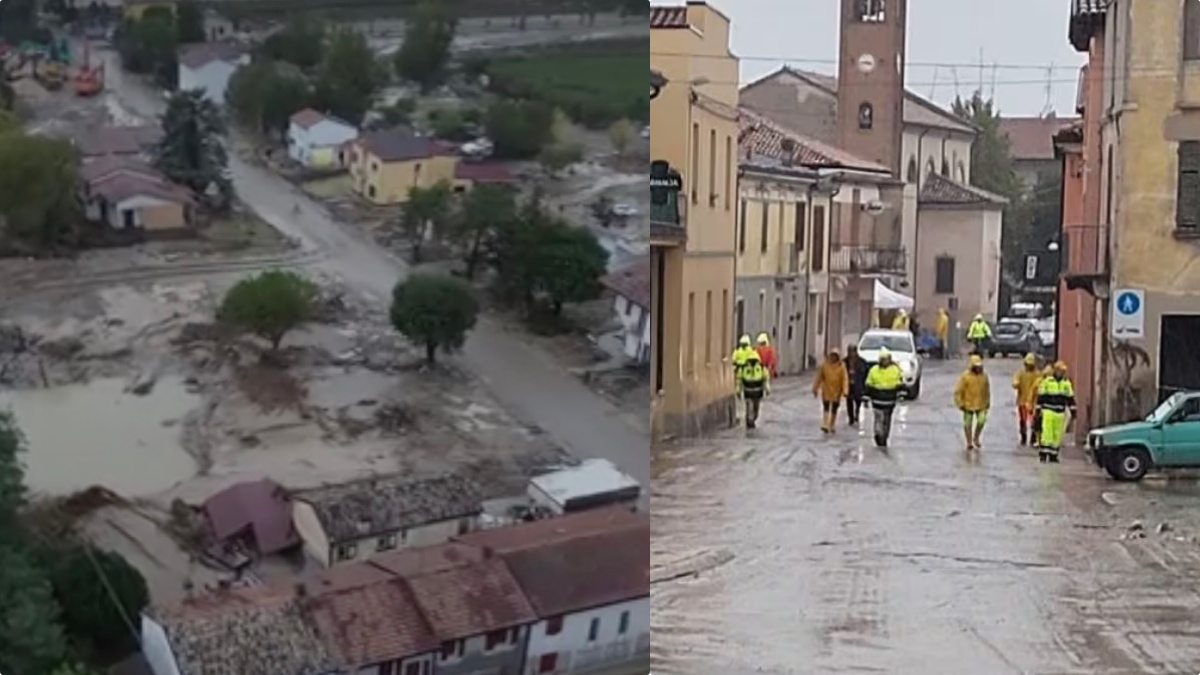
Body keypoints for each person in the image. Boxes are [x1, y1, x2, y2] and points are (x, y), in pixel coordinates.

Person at [1036, 361, 1076, 463]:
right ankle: (1044, 454)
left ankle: (1053, 454)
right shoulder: (1047, 382)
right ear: (1055, 370)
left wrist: (1073, 410)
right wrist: (1038, 410)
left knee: (1057, 434)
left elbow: (1070, 398)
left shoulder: (1066, 383)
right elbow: (1041, 397)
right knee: (1047, 433)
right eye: (1060, 370)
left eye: (1063, 371)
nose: (1061, 373)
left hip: (1060, 412)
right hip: (1048, 411)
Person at [865, 347, 904, 448]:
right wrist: (867, 395)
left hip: (889, 401)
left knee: (887, 420)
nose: (885, 361)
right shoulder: (874, 370)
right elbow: (869, 383)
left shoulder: (895, 370)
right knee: (878, 419)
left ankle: (884, 436)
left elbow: (899, 383)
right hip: (877, 401)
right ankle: (878, 435)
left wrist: (899, 392)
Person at [954, 354, 992, 450]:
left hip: (981, 403)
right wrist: (960, 403)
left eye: (979, 366)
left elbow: (987, 390)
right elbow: (958, 391)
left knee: (981, 420)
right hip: (968, 404)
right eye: (976, 366)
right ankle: (969, 442)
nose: (978, 368)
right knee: (967, 424)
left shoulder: (984, 376)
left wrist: (988, 401)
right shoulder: (965, 377)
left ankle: (976, 437)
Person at [813, 350, 849, 433]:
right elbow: (819, 377)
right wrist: (815, 388)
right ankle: (825, 424)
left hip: (837, 390)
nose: (833, 358)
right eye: (832, 356)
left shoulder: (842, 366)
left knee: (834, 408)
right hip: (827, 389)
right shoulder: (825, 365)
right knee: (826, 406)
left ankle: (832, 424)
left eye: (835, 356)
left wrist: (845, 390)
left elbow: (845, 379)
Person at [1012, 353, 1043, 446]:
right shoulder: (1021, 373)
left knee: (1034, 420)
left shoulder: (1037, 374)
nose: (1029, 366)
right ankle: (1023, 436)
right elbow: (1015, 381)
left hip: (1034, 402)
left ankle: (1033, 438)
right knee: (1023, 420)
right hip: (1022, 401)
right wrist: (1016, 384)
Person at [737, 349, 771, 429]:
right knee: (751, 407)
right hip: (754, 392)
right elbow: (739, 379)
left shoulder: (758, 368)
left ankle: (751, 419)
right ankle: (750, 421)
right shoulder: (756, 367)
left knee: (754, 408)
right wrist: (767, 389)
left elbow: (765, 378)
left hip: (752, 392)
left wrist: (767, 388)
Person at [844, 344, 868, 427]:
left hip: (858, 384)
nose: (851, 353)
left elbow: (865, 373)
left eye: (853, 351)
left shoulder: (862, 362)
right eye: (849, 351)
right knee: (849, 400)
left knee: (858, 400)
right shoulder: (844, 362)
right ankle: (851, 418)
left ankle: (857, 414)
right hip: (848, 384)